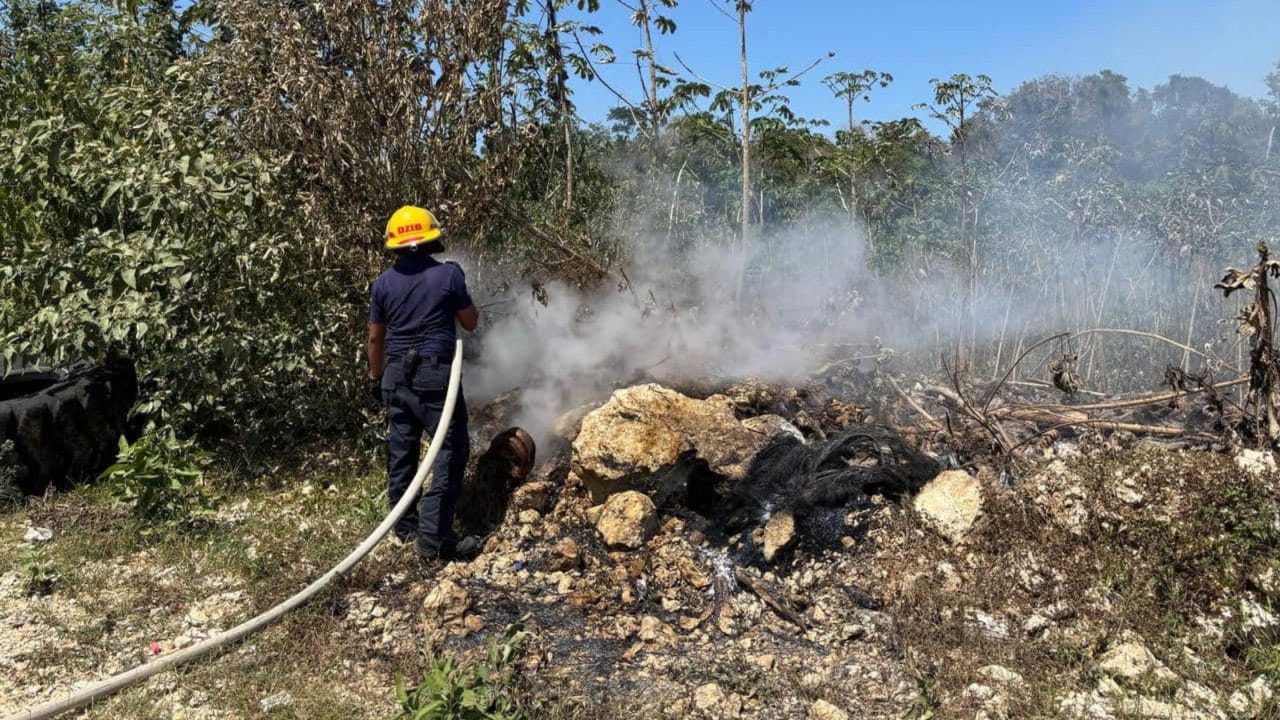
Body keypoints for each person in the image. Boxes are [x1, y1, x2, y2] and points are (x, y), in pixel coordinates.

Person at [367, 205, 480, 564]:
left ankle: (404, 528)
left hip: (395, 375)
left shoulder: (382, 283)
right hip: (435, 376)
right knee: (449, 451)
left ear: (395, 245)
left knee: (402, 451)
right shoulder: (447, 277)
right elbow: (471, 322)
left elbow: (375, 340)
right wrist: (459, 284)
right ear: (430, 239)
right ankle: (433, 541)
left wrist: (375, 378)